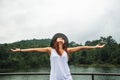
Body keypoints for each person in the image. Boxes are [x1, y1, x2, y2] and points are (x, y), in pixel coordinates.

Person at [11, 33, 105, 80]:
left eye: (62, 38)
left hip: (67, 78)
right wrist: (20, 50)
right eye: (59, 38)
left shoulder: (67, 50)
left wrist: (95, 47)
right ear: (55, 41)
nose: (61, 39)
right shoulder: (50, 50)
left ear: (64, 42)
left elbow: (82, 47)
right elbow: (35, 49)